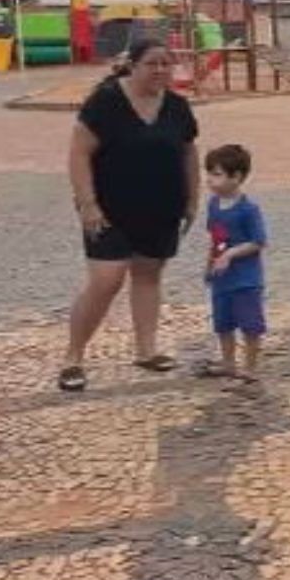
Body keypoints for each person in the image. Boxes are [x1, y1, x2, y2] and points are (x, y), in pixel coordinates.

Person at [60, 38, 201, 392]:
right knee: (106, 280)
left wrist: (192, 199)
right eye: (152, 63)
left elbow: (188, 152)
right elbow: (79, 153)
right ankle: (73, 357)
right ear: (133, 65)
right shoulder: (106, 102)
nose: (160, 70)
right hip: (108, 208)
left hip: (161, 207)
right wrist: (87, 203)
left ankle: (146, 350)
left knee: (149, 274)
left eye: (166, 64)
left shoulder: (177, 107)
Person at [198, 143, 268, 384]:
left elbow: (258, 241)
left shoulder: (248, 210)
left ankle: (251, 367)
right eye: (209, 173)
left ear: (236, 177)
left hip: (246, 279)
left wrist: (230, 254)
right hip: (222, 279)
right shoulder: (213, 205)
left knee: (250, 324)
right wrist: (209, 264)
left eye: (216, 174)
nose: (210, 179)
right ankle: (228, 362)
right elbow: (215, 238)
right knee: (223, 323)